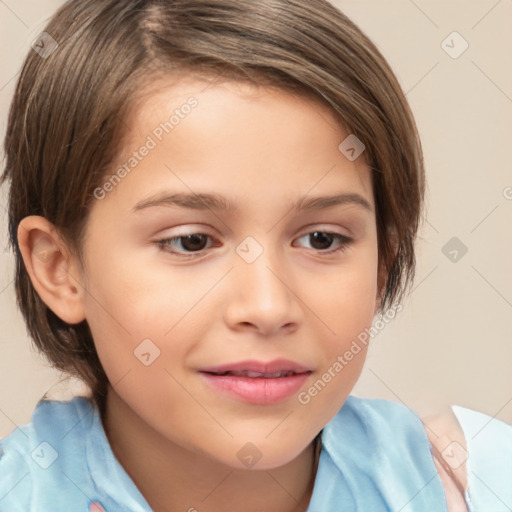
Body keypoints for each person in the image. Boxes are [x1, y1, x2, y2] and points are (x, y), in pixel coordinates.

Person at [0, 1, 510, 511]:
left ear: (381, 263)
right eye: (191, 241)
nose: (268, 307)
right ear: (59, 268)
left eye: (322, 240)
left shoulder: (479, 483)